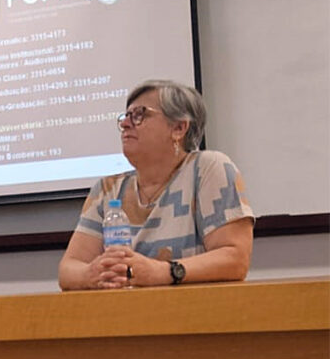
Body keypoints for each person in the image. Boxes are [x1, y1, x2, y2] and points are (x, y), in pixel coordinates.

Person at [58, 80, 254, 290]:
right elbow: (68, 270)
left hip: (194, 315)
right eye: (126, 117)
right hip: (122, 316)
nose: (125, 124)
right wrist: (91, 274)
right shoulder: (107, 189)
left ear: (179, 128)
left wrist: (162, 272)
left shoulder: (207, 169)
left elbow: (235, 259)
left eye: (139, 114)